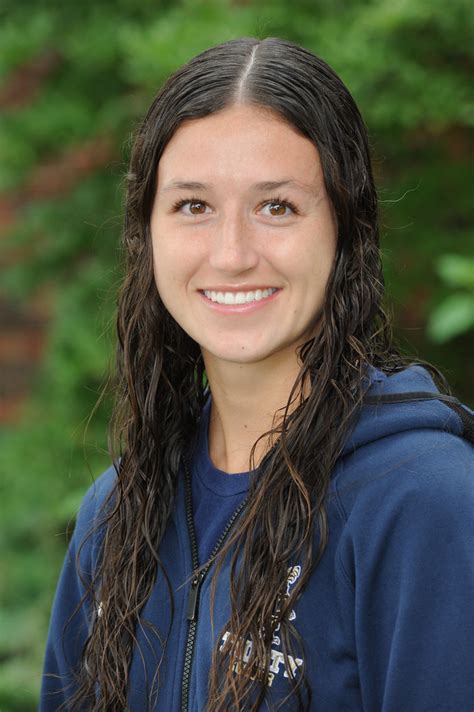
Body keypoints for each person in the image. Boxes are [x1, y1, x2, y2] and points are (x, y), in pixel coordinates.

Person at [40, 37, 474, 712]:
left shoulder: (426, 502)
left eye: (277, 206)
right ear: (146, 233)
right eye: (193, 206)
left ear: (344, 229)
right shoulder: (116, 515)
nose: (233, 253)